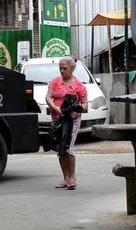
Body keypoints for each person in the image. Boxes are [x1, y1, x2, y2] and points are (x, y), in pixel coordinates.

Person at [45, 56, 88, 190]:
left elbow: (85, 103)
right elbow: (48, 97)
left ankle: (72, 177)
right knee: (60, 149)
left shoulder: (79, 86)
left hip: (72, 120)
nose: (62, 71)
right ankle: (65, 178)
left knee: (68, 148)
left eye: (65, 68)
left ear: (72, 68)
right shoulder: (55, 82)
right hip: (57, 118)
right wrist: (54, 107)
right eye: (60, 68)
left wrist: (78, 111)